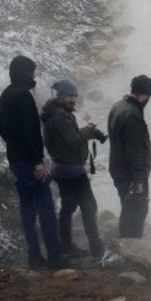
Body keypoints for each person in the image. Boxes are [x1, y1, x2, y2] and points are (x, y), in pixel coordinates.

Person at [0, 55, 67, 269]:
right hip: (29, 162)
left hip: (16, 160)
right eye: (31, 72)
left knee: (27, 209)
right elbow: (31, 132)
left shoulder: (7, 94)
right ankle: (56, 257)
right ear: (25, 73)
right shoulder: (23, 97)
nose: (33, 76)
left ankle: (34, 257)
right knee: (46, 207)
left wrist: (12, 144)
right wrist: (37, 161)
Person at [41, 79, 110, 261]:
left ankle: (66, 246)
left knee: (68, 207)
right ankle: (97, 249)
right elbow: (72, 141)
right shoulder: (59, 116)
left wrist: (85, 131)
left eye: (74, 95)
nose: (73, 99)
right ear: (61, 96)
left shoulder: (57, 113)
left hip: (62, 169)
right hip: (71, 171)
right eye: (69, 95)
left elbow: (67, 138)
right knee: (89, 207)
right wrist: (88, 130)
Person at [107, 74, 151, 238]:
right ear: (144, 94)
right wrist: (139, 179)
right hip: (130, 174)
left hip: (118, 168)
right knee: (137, 209)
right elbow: (134, 151)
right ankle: (132, 244)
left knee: (126, 205)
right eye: (148, 96)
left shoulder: (117, 106)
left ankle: (126, 240)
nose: (148, 100)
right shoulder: (133, 114)